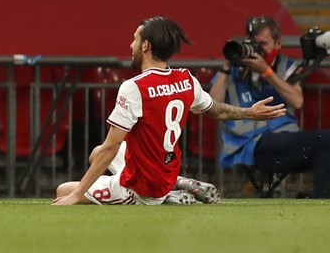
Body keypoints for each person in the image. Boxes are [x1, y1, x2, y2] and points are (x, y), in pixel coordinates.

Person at [53, 16, 286, 206]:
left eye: (135, 40)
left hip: (140, 187)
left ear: (146, 45)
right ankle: (176, 183)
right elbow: (217, 111)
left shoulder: (135, 87)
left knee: (64, 189)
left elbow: (112, 146)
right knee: (96, 152)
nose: (131, 45)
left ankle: (165, 197)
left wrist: (78, 194)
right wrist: (249, 112)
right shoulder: (186, 79)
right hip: (165, 168)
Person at [210, 16, 330, 198]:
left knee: (325, 143)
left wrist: (266, 71)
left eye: (263, 44)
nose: (258, 49)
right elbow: (212, 104)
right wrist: (227, 65)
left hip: (285, 139)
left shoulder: (287, 66)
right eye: (253, 43)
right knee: (325, 140)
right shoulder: (234, 69)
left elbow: (297, 101)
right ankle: (321, 199)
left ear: (278, 44)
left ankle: (319, 197)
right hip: (250, 143)